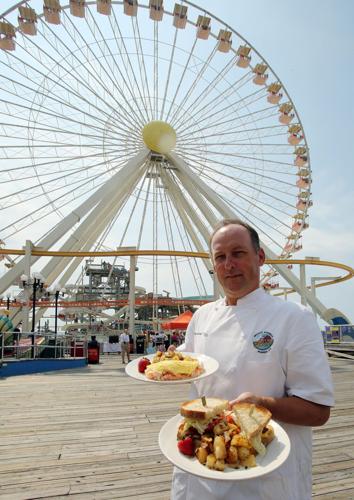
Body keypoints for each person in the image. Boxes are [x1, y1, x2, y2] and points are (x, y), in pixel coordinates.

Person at [171, 219, 334, 500]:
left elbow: (318, 410)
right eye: (220, 257)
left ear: (260, 257)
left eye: (238, 253)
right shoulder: (202, 316)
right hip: (199, 468)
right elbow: (191, 370)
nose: (228, 264)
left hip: (267, 474)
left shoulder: (294, 319)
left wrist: (262, 404)